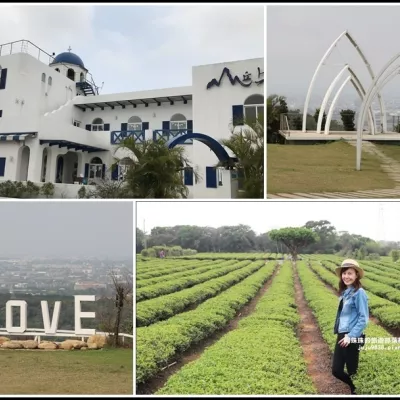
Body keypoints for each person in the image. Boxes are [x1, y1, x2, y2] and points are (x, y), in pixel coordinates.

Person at [332, 259, 369, 395]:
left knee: (352, 370)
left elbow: (363, 319)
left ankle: (357, 390)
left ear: (356, 275)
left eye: (349, 273)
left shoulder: (360, 293)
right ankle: (355, 388)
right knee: (337, 370)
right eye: (344, 273)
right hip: (342, 334)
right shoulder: (345, 292)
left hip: (351, 336)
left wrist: (350, 336)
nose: (346, 276)